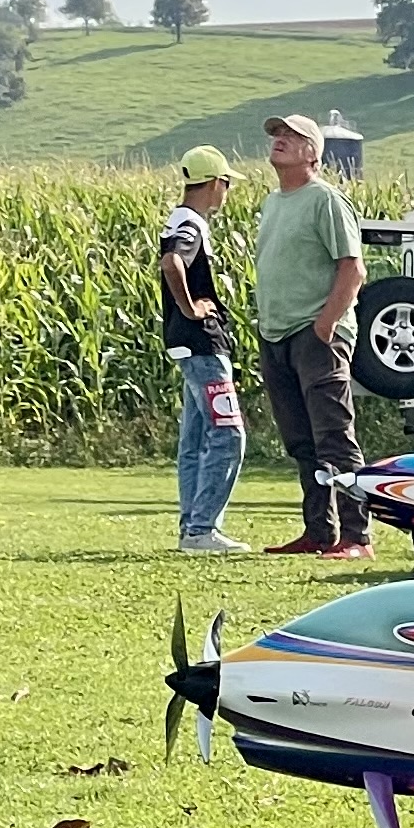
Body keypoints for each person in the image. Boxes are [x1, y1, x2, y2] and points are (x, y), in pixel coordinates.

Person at [248, 113, 368, 558]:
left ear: (313, 152)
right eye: (276, 134)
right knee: (301, 441)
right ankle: (319, 532)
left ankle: (357, 536)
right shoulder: (272, 203)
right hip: (276, 334)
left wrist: (325, 325)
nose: (279, 140)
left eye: (290, 135)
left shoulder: (326, 200)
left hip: (315, 334)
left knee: (333, 436)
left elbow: (352, 268)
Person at [156, 145, 247, 555]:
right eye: (227, 184)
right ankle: (202, 528)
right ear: (214, 183)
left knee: (194, 440)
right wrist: (191, 307)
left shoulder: (179, 219)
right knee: (228, 435)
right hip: (202, 344)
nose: (227, 192)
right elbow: (172, 262)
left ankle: (191, 527)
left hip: (186, 345)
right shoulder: (190, 223)